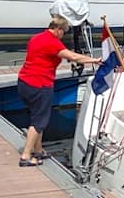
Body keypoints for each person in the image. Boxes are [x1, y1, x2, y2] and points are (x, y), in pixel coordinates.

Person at [17, 15, 100, 166]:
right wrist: (93, 60)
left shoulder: (36, 38)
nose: (63, 35)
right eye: (64, 32)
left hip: (24, 82)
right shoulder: (52, 42)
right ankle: (26, 156)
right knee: (39, 122)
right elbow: (73, 57)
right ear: (58, 30)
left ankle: (39, 150)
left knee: (37, 116)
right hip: (39, 85)